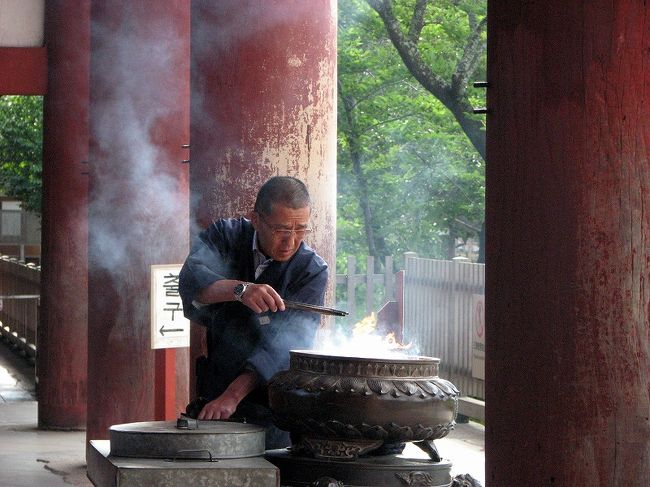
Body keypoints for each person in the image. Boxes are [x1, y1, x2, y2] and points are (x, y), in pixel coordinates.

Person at [179, 176, 328, 448]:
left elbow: (287, 346)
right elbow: (191, 281)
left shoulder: (310, 270)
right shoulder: (225, 235)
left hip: (271, 401)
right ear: (256, 219)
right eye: (282, 229)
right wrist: (240, 290)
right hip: (217, 385)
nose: (290, 241)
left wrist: (233, 396)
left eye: (300, 230)